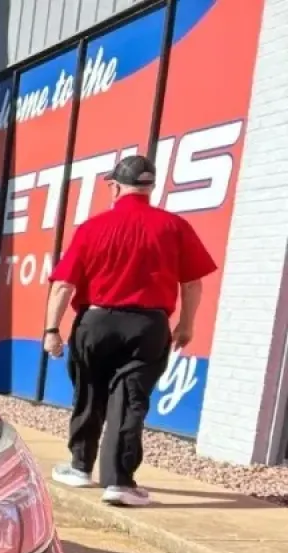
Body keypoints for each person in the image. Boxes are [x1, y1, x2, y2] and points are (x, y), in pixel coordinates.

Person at [42, 154, 217, 507]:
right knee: (131, 400)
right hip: (147, 325)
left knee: (89, 393)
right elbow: (193, 283)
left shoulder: (92, 227)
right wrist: (186, 324)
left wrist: (51, 330)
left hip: (96, 321)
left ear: (115, 187)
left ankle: (79, 467)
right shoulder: (174, 227)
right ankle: (119, 482)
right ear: (149, 188)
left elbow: (63, 285)